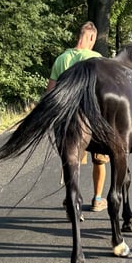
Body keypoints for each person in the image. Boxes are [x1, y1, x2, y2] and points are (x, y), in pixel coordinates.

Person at [46, 21, 109, 213]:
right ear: (91, 38)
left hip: (70, 121)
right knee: (99, 160)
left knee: (71, 161)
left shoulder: (61, 59)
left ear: (79, 36)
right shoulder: (97, 59)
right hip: (95, 119)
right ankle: (98, 199)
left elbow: (51, 92)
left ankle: (72, 198)